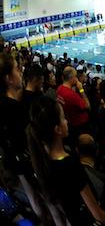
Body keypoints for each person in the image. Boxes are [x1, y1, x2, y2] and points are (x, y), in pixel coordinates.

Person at [26, 96, 105, 225]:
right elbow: (97, 213)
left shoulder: (40, 160)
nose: (67, 121)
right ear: (57, 129)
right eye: (63, 118)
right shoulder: (69, 163)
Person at [0, 52, 46, 220]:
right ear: (8, 79)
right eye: (17, 70)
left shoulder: (8, 103)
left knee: (31, 194)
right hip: (27, 158)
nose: (21, 73)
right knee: (45, 197)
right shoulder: (14, 108)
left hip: (14, 159)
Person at [56, 66, 91, 139]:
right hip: (79, 126)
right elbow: (88, 106)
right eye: (75, 77)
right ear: (71, 78)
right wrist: (81, 90)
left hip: (70, 122)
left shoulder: (59, 89)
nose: (77, 79)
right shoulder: (72, 95)